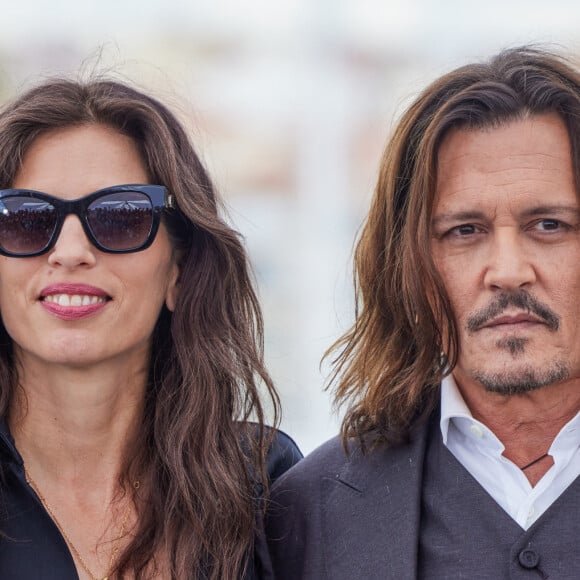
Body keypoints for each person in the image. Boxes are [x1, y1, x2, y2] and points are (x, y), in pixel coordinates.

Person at [267, 46, 580, 579]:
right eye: (465, 231)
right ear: (409, 265)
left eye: (548, 225)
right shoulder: (308, 513)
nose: (507, 271)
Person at [0, 77, 301, 579]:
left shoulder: (265, 487)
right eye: (25, 219)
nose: (71, 252)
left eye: (120, 216)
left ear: (179, 272)